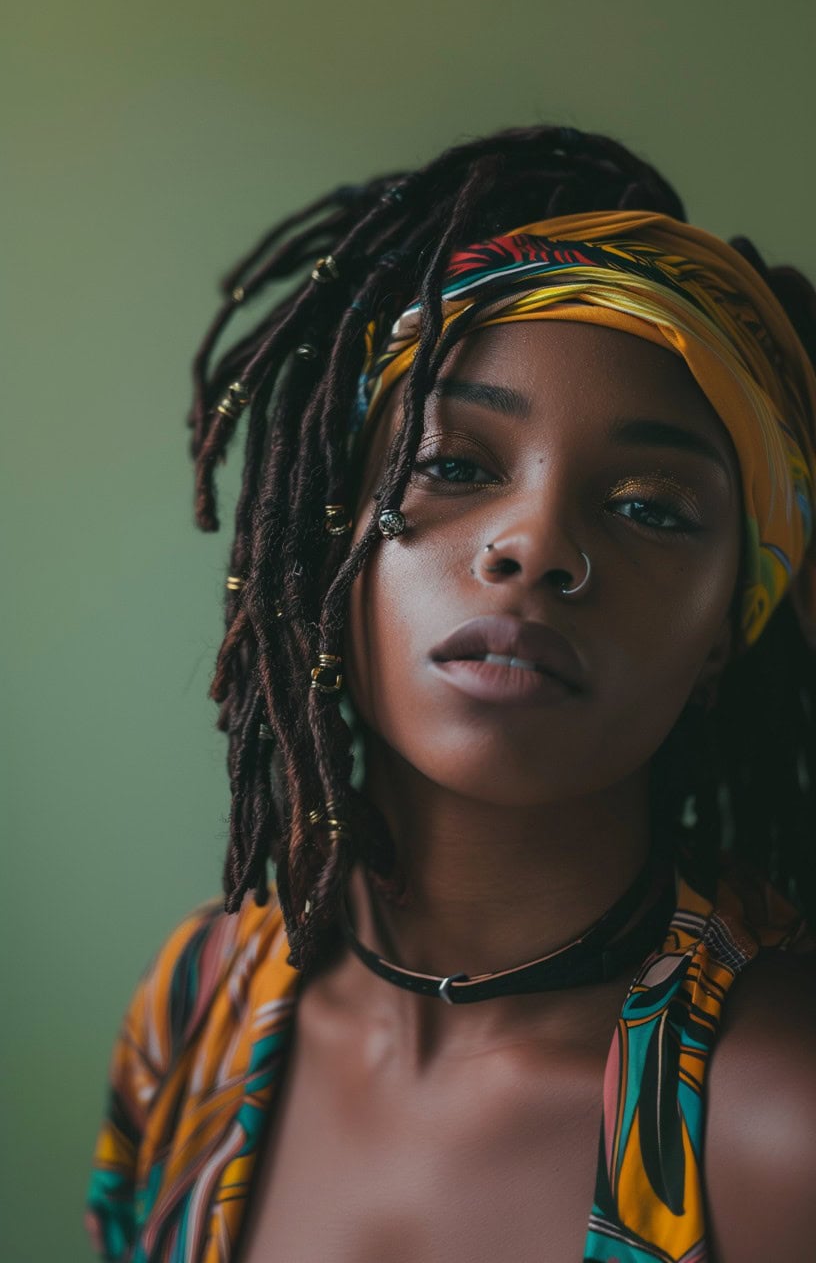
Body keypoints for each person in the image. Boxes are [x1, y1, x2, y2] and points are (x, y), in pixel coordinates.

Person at [85, 124, 816, 1263]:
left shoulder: (774, 1124)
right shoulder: (195, 1007)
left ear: (729, 628)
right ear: (333, 538)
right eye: (456, 465)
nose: (533, 544)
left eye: (651, 506)